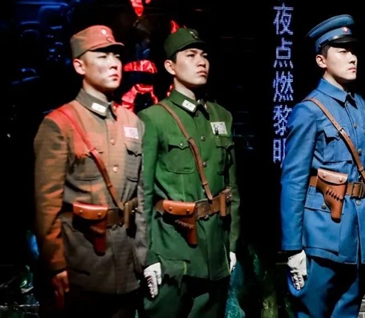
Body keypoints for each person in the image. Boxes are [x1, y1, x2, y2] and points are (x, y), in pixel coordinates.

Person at [33, 25, 148, 317]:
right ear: (79, 66)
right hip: (80, 267)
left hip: (126, 267)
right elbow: (47, 205)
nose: (114, 63)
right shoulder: (60, 124)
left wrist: (143, 258)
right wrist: (55, 265)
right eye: (102, 56)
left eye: (117, 56)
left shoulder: (132, 122)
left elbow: (141, 198)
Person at [280, 14, 365, 317]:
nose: (352, 58)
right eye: (342, 51)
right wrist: (293, 248)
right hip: (321, 234)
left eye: (353, 51)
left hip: (358, 236)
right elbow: (293, 180)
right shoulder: (309, 111)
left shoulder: (362, 107)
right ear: (321, 60)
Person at [138, 27, 240, 317]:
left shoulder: (221, 117)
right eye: (191, 55)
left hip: (215, 254)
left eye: (204, 55)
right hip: (172, 254)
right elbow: (142, 193)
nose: (201, 62)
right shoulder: (153, 119)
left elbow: (232, 189)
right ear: (170, 66)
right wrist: (147, 256)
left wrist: (231, 244)